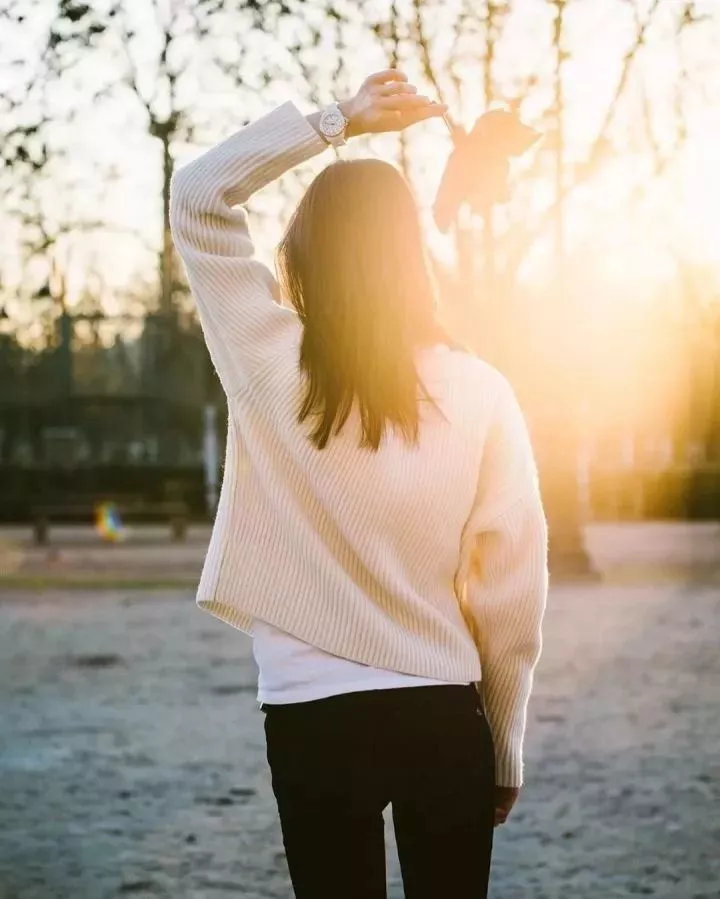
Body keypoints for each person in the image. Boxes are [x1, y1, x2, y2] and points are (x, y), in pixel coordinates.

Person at [170, 69, 548, 899]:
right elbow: (511, 586)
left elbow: (196, 194)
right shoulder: (481, 388)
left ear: (300, 254)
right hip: (443, 717)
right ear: (411, 259)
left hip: (310, 715)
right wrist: (504, 740)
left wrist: (338, 121)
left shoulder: (267, 359)